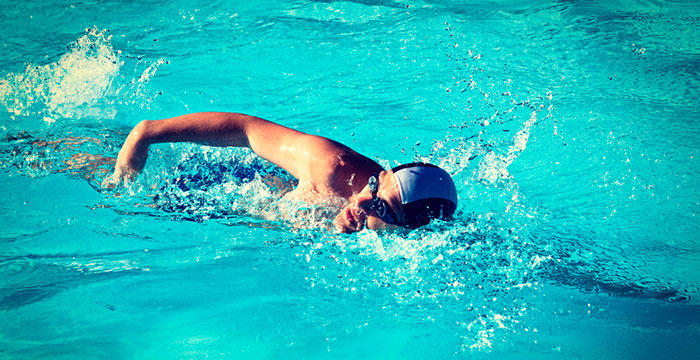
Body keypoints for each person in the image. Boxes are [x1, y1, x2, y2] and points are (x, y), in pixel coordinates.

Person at [104, 112, 458, 233]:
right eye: (374, 189)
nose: (364, 203)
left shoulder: (420, 236)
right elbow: (245, 130)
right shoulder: (330, 167)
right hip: (210, 186)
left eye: (383, 209)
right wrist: (147, 134)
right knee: (94, 175)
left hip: (238, 216)